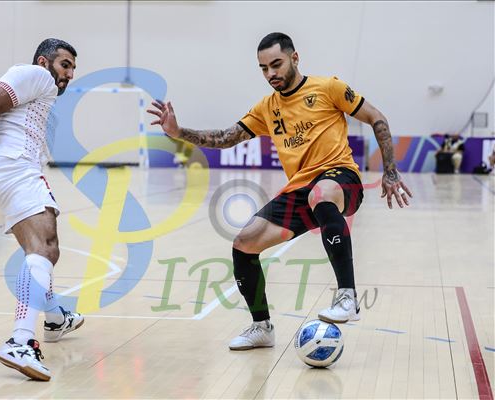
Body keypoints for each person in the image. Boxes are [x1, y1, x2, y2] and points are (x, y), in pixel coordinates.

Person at [148, 32, 412, 350]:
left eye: (276, 64)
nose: (270, 73)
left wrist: (390, 171)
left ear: (294, 58)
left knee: (320, 195)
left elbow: (376, 118)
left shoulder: (328, 88)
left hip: (340, 177)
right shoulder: (267, 107)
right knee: (244, 243)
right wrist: (179, 131)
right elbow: (226, 137)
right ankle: (262, 327)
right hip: (300, 188)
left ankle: (347, 297)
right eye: (263, 68)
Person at [0, 38, 84, 380]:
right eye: (65, 64)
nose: (70, 74)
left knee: (35, 252)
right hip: (13, 171)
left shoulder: (40, 91)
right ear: (44, 61)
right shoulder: (36, 74)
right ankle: (21, 341)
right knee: (46, 248)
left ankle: (55, 318)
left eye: (73, 68)